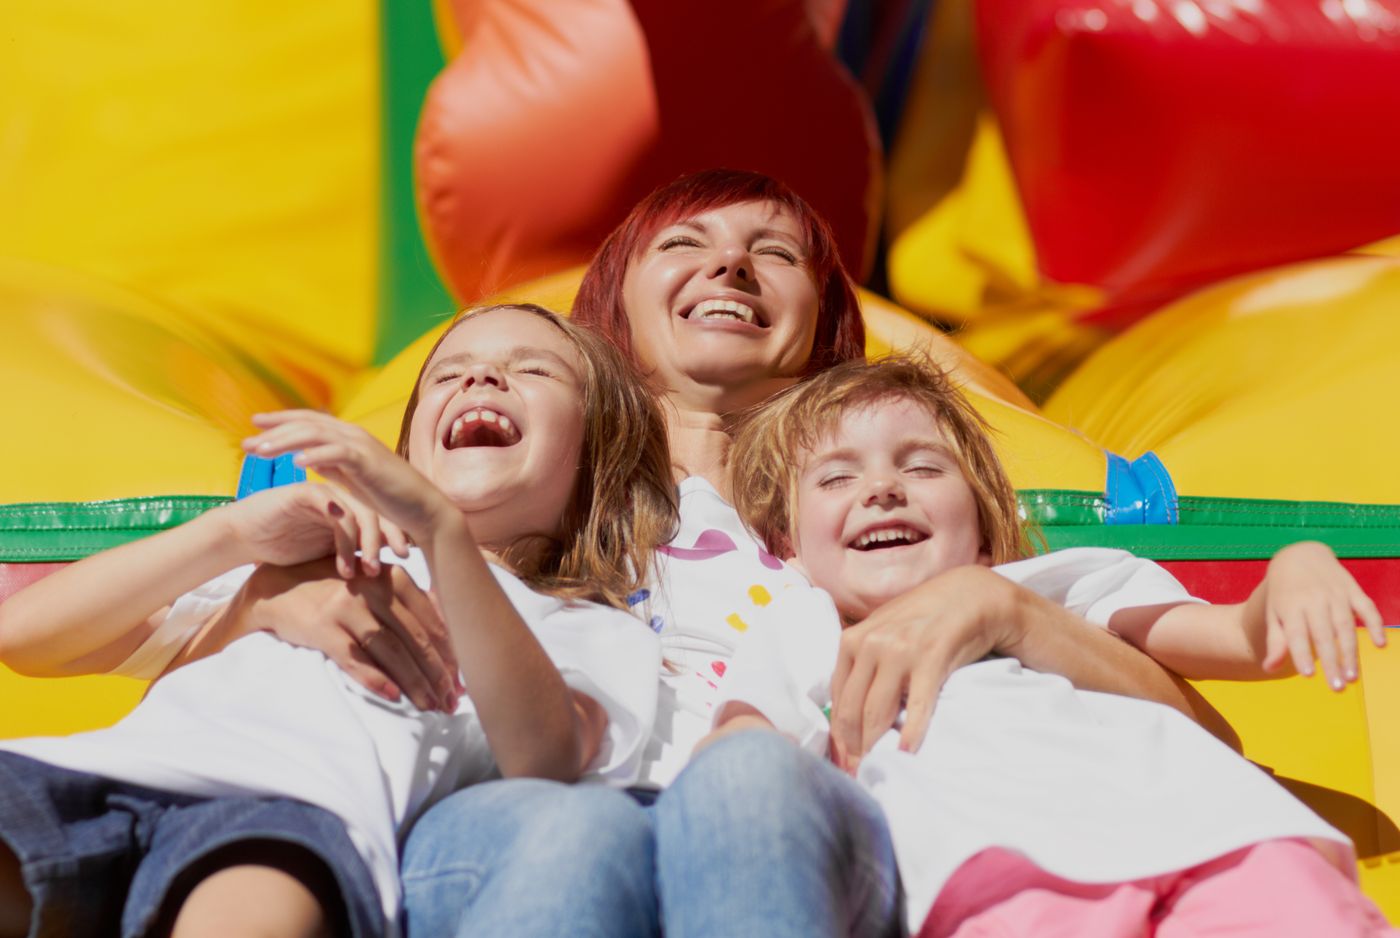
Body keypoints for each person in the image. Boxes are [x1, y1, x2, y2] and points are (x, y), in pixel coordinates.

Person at [11, 171, 1244, 936]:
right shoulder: (508, 502)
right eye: (687, 244)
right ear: (606, 323)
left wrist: (1003, 609)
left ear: (827, 318)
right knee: (568, 835)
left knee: (743, 789)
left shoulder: (879, 511)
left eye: (773, 253)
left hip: (804, 831)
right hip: (505, 826)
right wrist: (265, 603)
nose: (729, 265)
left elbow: (1189, 722)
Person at [0, 304, 675, 938]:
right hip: (104, 771)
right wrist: (233, 536)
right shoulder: (308, 554)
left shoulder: (584, 623)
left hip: (287, 820)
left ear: (597, 454)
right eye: (448, 371)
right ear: (409, 449)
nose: (481, 375)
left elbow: (546, 754)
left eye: (534, 370)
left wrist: (444, 534)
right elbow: (26, 635)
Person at [714, 352, 1395, 937]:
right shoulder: (802, 630)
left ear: (982, 527)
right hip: (1003, 878)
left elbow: (1237, 639)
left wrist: (1295, 566)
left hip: (1218, 836)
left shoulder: (1057, 581)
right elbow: (737, 765)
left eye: (923, 468)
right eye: (836, 478)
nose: (883, 488)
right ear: (789, 549)